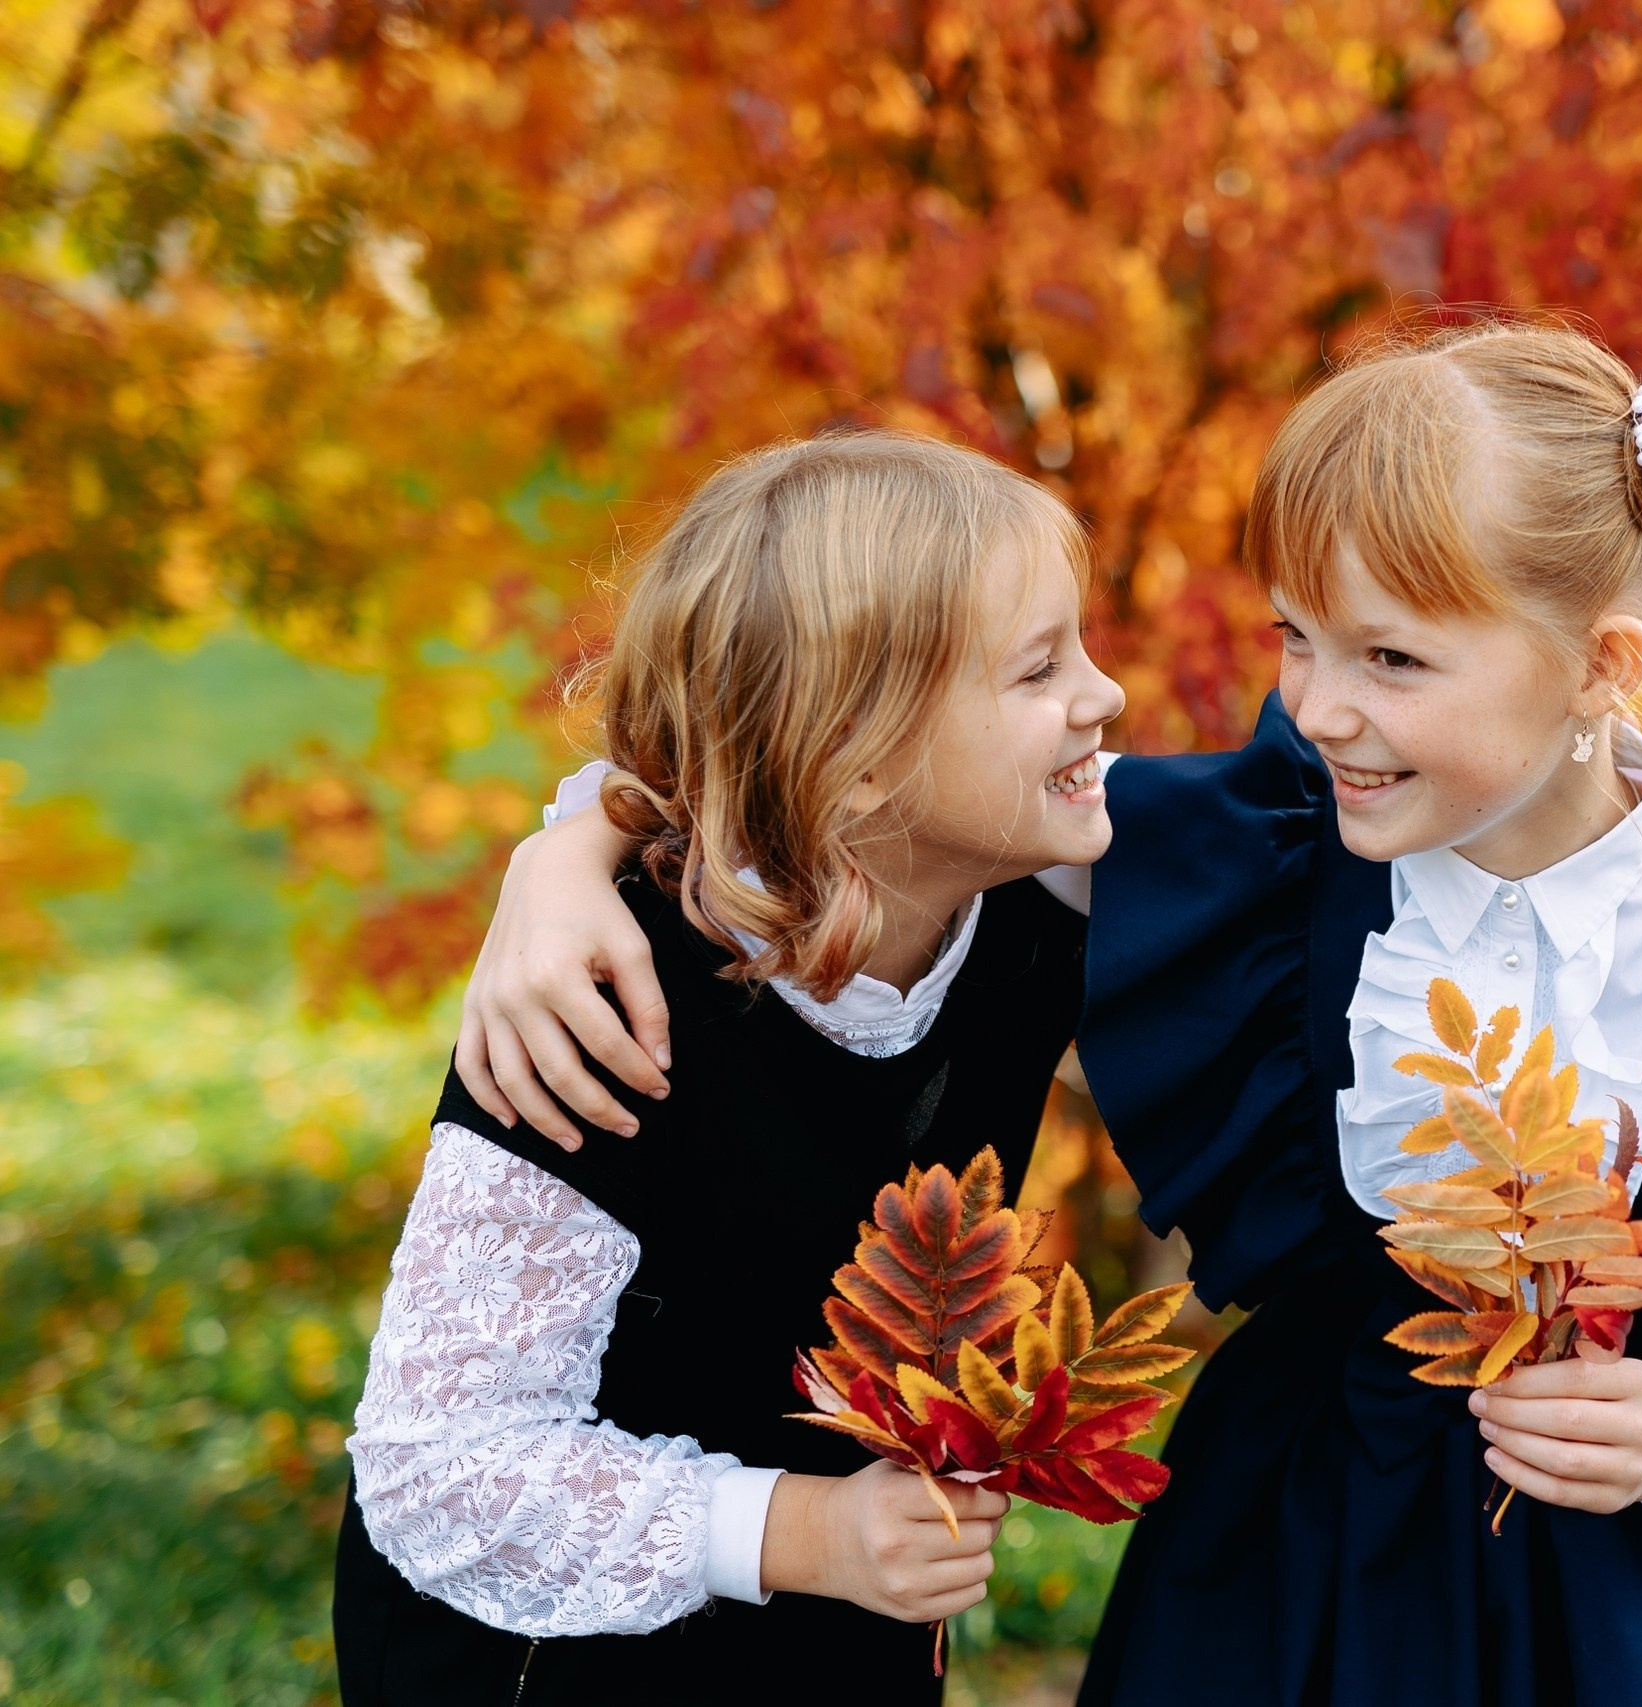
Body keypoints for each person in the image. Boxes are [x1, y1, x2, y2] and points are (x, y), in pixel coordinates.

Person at [456, 320, 1642, 1707]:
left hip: (1629, 1603)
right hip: (1284, 1562)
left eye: (1392, 657)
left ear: (1605, 667)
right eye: (1296, 638)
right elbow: (854, 756)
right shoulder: (1259, 857)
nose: (1321, 708)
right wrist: (574, 842)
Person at [333, 431, 1121, 1704]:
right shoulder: (600, 1008)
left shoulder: (1040, 869)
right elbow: (440, 1468)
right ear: (860, 763)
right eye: (1040, 669)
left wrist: (565, 838)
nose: (1104, 698)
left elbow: (1304, 810)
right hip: (558, 1662)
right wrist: (803, 1533)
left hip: (839, 1638)